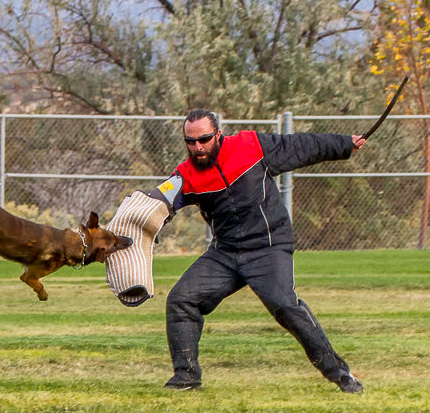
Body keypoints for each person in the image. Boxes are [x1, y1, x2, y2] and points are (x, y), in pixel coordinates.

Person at [150, 109, 365, 393]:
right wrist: (135, 219)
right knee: (181, 299)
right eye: (190, 142)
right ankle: (186, 377)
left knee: (286, 307)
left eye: (203, 139)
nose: (197, 147)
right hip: (225, 252)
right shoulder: (185, 175)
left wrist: (343, 144)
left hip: (269, 246)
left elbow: (300, 146)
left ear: (218, 134)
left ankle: (342, 376)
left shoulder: (250, 146)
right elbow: (157, 202)